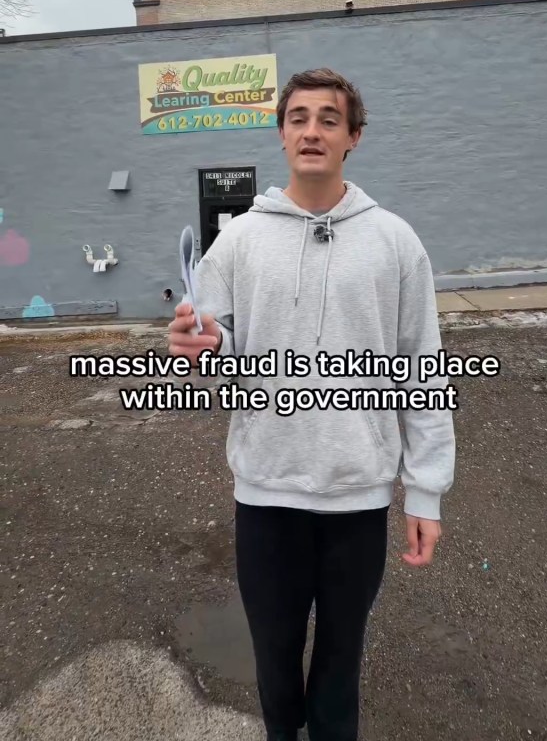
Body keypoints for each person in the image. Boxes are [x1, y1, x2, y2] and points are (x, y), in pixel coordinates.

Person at [168, 68, 456, 741]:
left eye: (329, 119)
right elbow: (215, 349)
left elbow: (423, 369)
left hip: (356, 498)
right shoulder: (239, 240)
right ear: (281, 133)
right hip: (267, 495)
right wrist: (200, 345)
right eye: (298, 117)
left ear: (353, 137)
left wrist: (425, 494)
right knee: (273, 665)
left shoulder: (395, 242)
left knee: (338, 668)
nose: (312, 130)